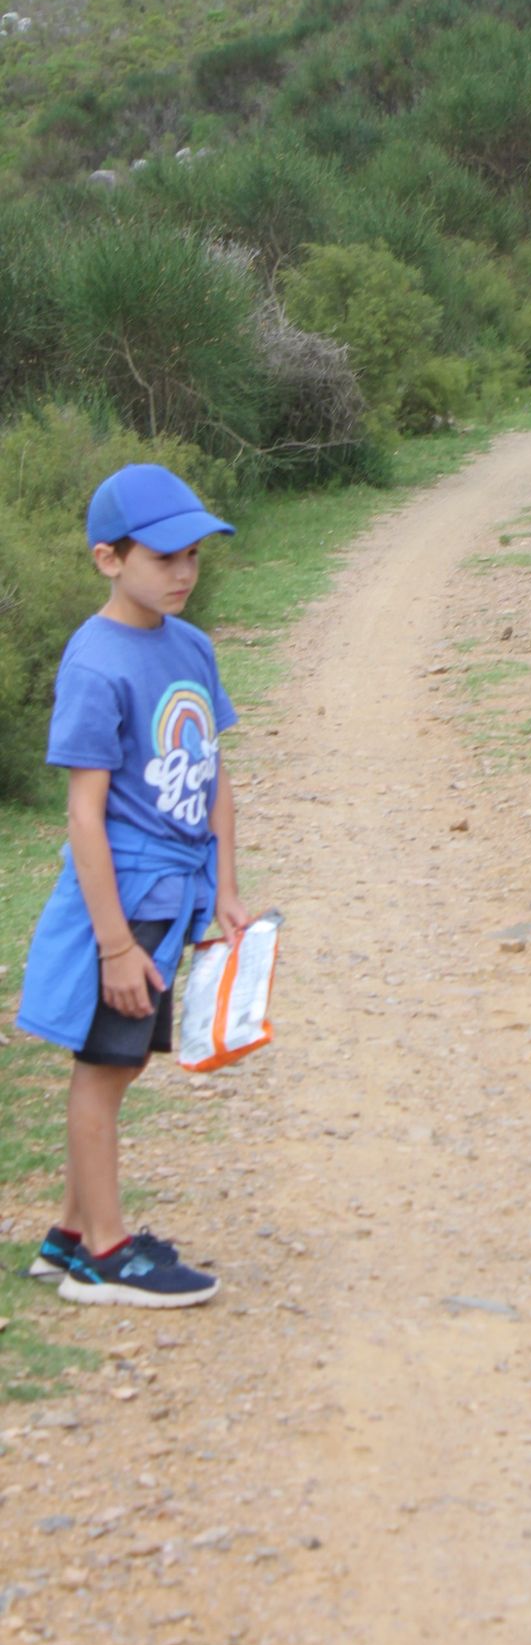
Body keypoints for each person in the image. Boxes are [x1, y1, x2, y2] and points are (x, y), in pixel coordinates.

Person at [17, 464, 247, 1307]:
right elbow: (84, 815)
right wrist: (114, 943)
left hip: (177, 893)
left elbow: (215, 770)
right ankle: (106, 1257)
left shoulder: (191, 646)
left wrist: (226, 884)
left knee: (121, 1064)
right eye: (164, 558)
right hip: (127, 898)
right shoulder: (95, 662)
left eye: (192, 555)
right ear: (108, 559)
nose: (183, 573)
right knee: (103, 1070)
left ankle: (72, 1236)